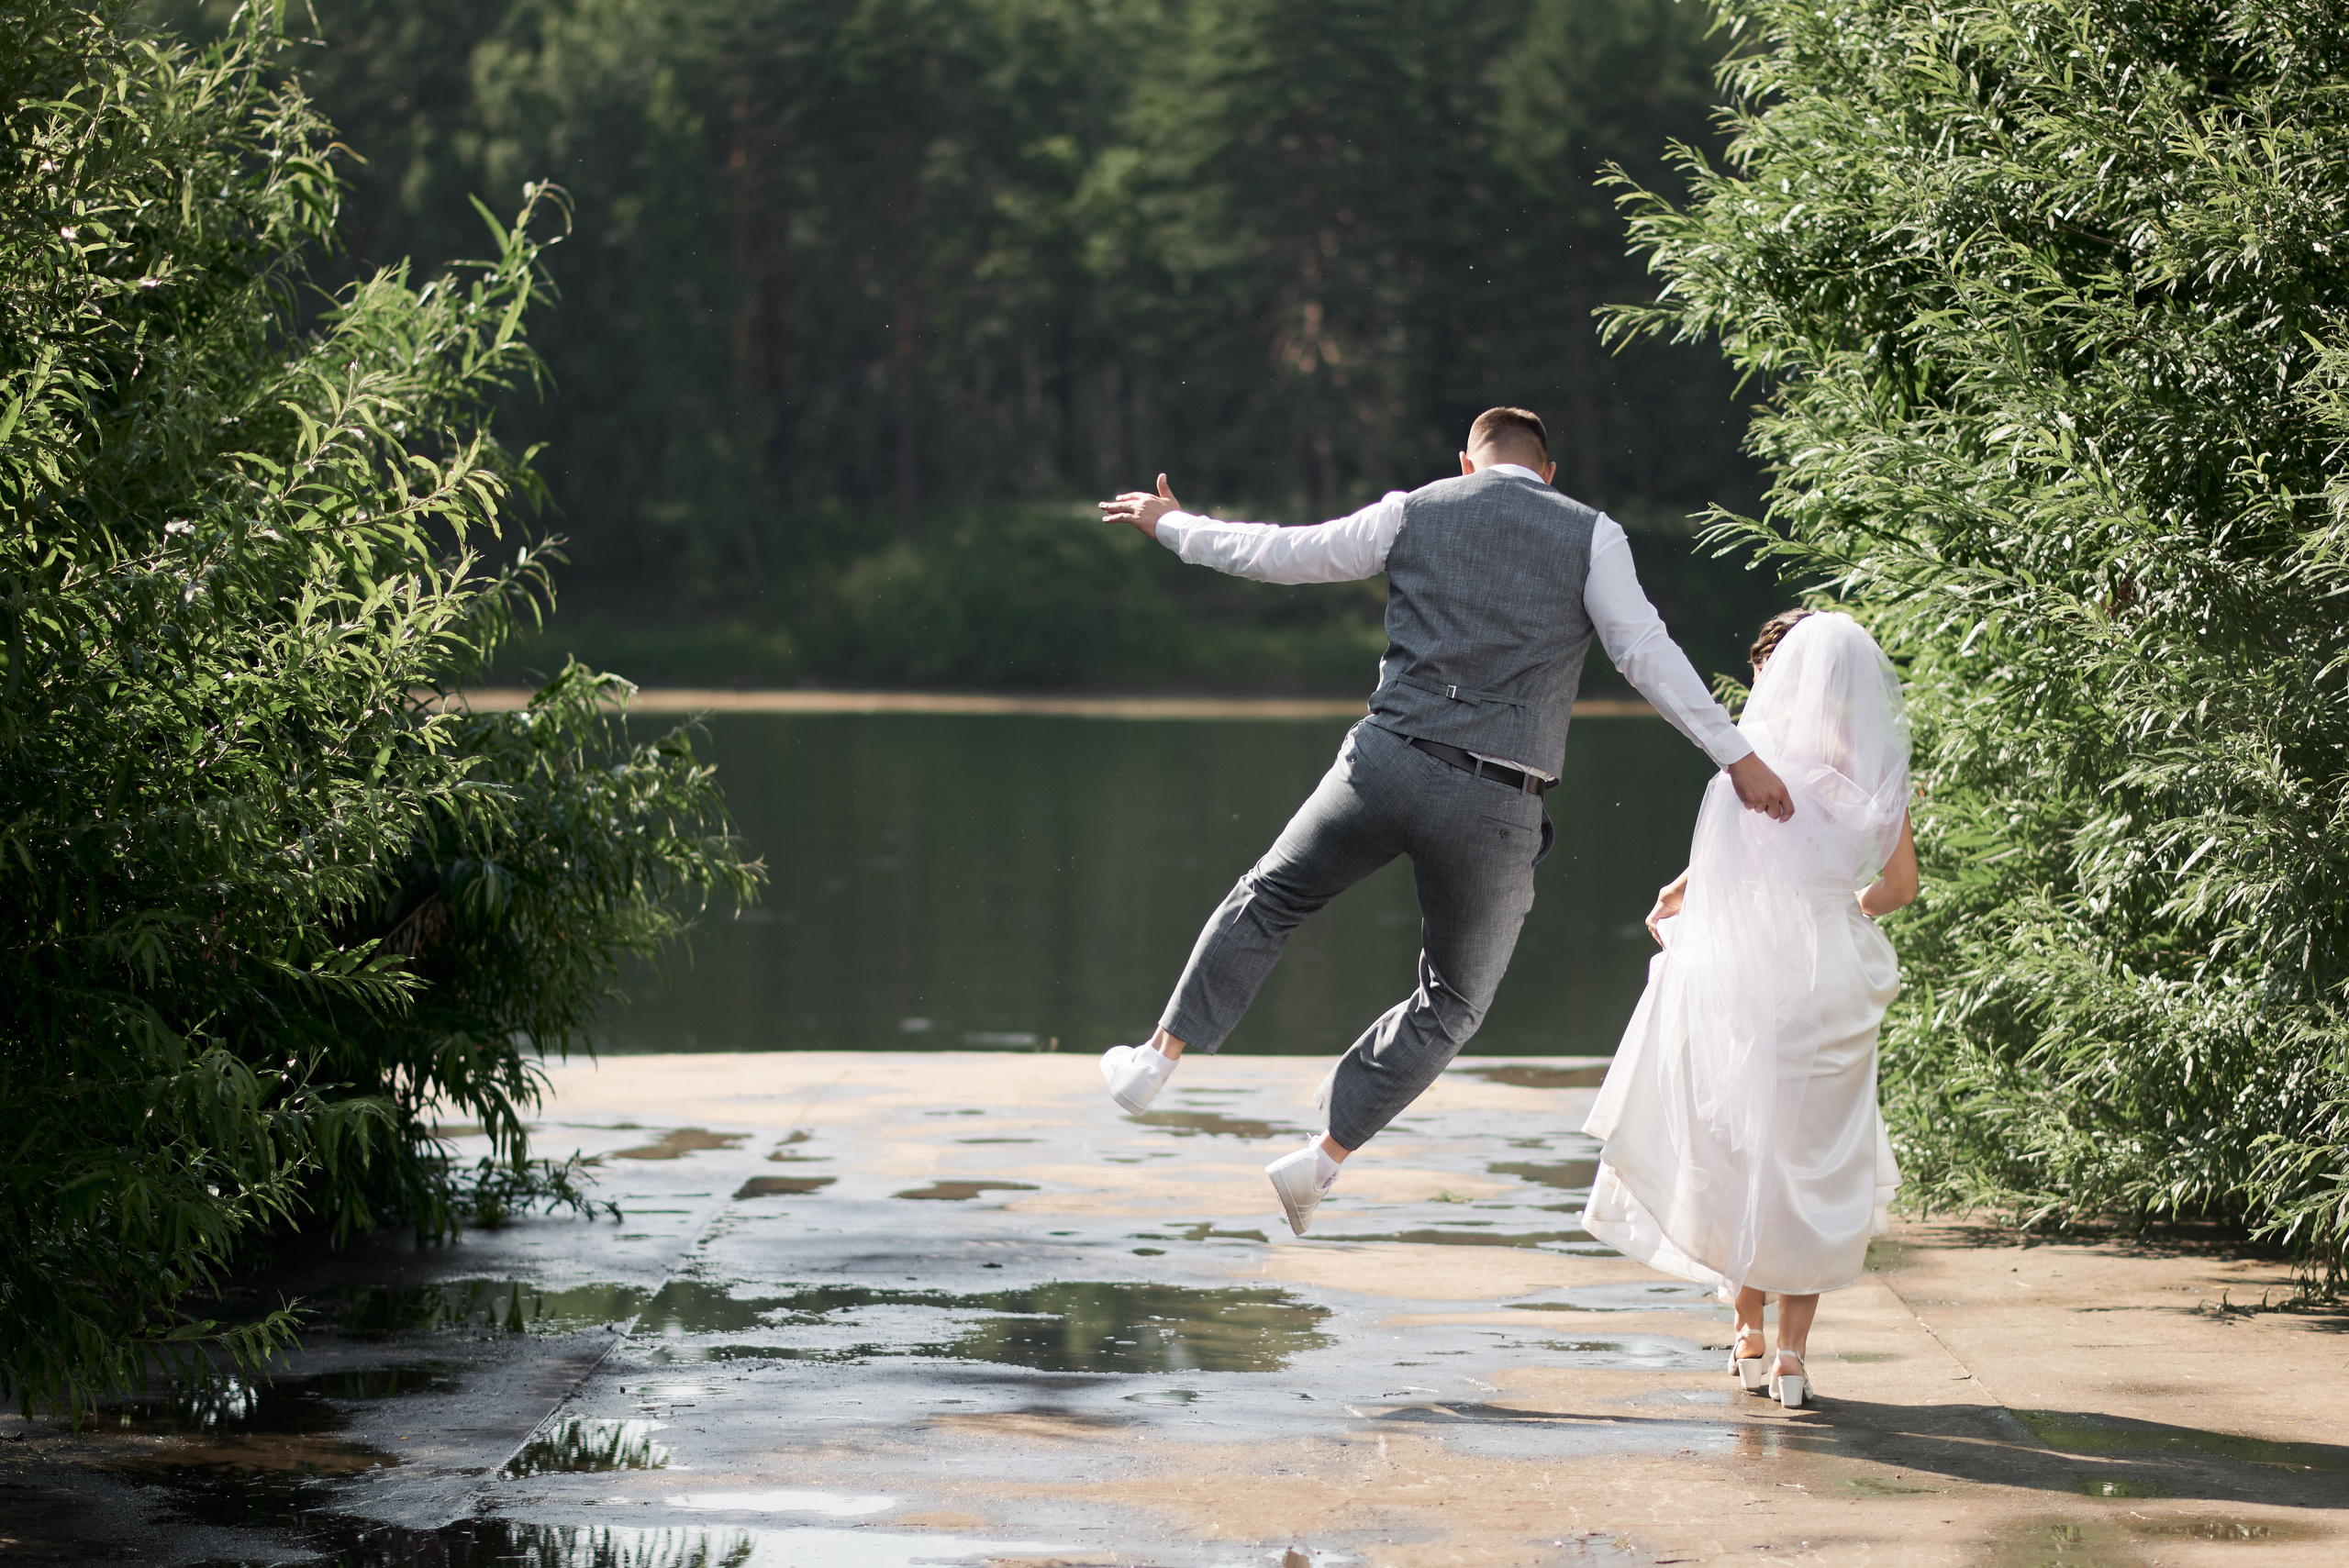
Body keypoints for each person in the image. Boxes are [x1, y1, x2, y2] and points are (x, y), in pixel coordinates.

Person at [1094, 407, 1794, 1237]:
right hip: (1498, 799)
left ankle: (1155, 1060)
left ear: (1467, 462)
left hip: (1385, 761)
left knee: (1272, 896)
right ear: (1550, 471)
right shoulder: (1591, 534)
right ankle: (1320, 1157)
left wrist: (1174, 524)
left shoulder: (1414, 508)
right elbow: (1644, 652)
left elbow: (1282, 553)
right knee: (1453, 1000)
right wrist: (1736, 754)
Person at [1581, 608, 1918, 1410]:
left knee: (1739, 1143)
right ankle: (1794, 1360)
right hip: (1832, 975)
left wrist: (1681, 891)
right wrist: (1842, 914)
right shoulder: (1874, 772)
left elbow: (1723, 870)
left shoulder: (1752, 763)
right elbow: (1901, 887)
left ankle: (1747, 1335)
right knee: (1814, 1159)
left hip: (1749, 972)